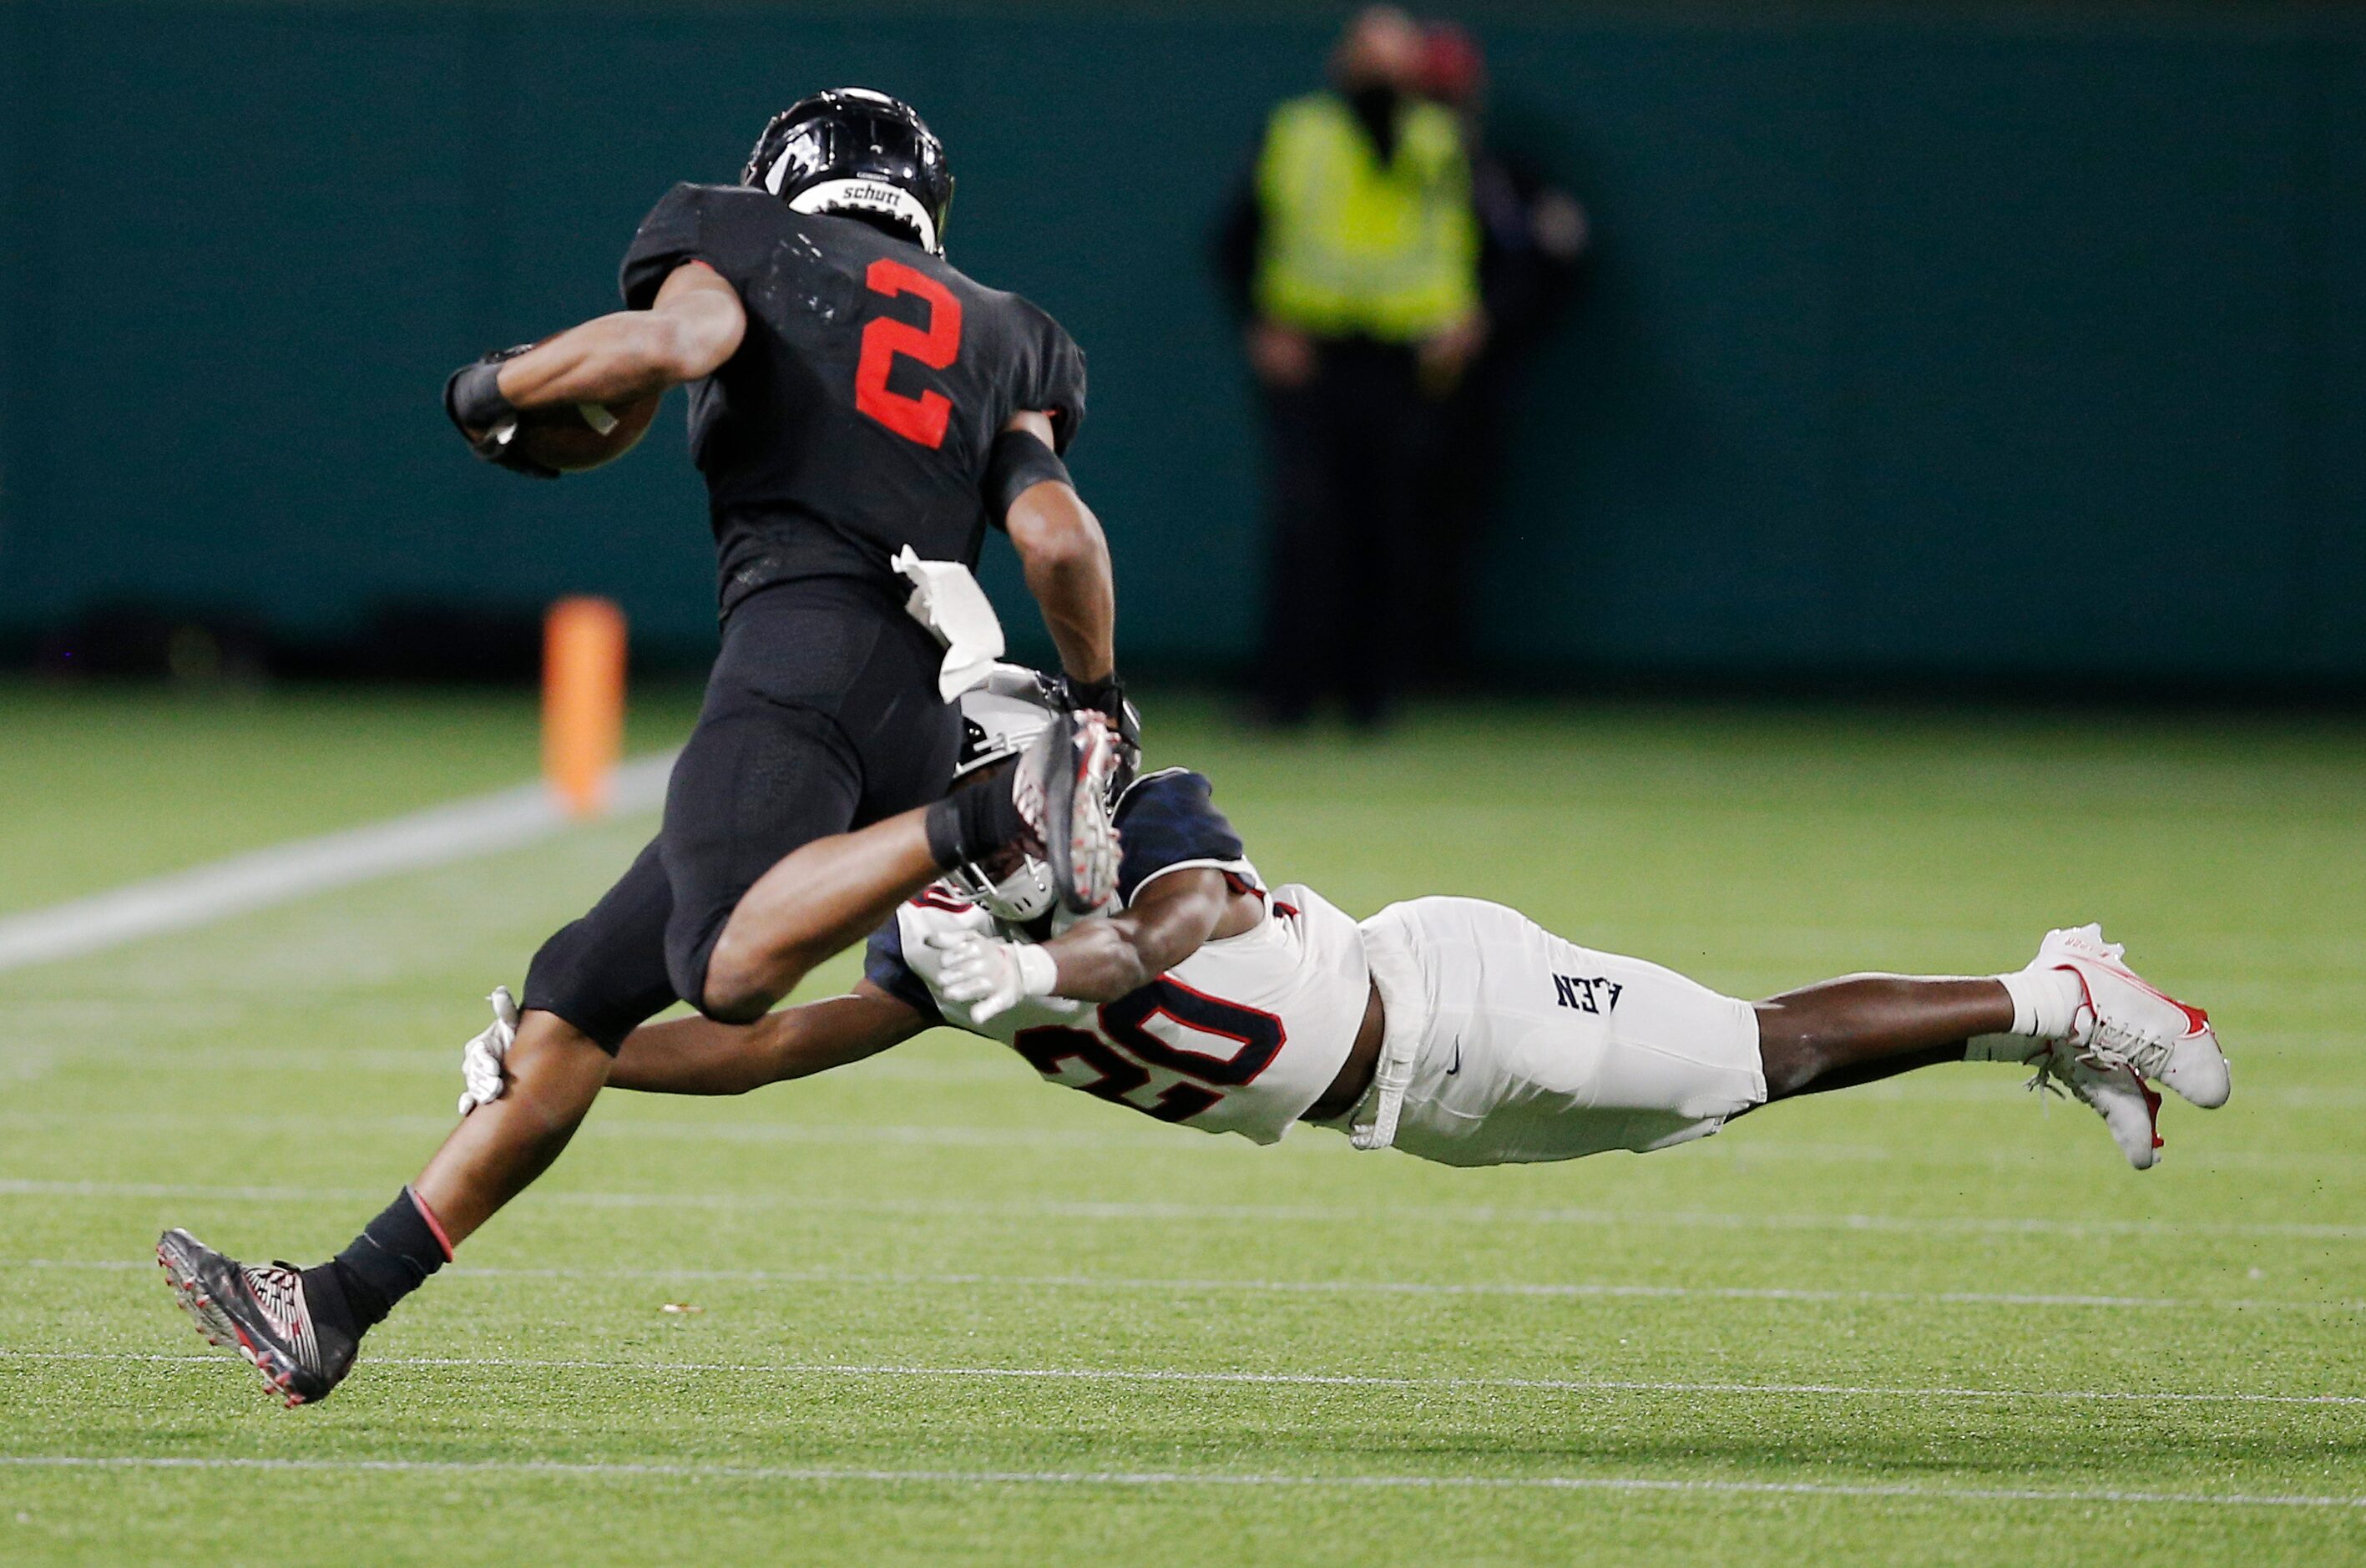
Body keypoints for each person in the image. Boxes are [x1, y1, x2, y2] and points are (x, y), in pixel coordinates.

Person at [156, 90, 1137, 1408]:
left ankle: (984, 817)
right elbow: (1058, 539)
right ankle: (333, 1303)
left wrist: (487, 388)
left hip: (801, 652)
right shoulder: (1013, 333)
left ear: (783, 178)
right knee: (574, 993)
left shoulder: (741, 238)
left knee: (722, 967)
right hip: (912, 701)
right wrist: (1097, 704)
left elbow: (679, 341)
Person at [486, 668, 2227, 1189]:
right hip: (1403, 1116)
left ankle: (2051, 985)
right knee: (1738, 1089)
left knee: (1755, 1049)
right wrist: (576, 1055)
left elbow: (1199, 907)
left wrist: (1036, 971)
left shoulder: (1127, 821)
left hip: (1444, 996)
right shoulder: (928, 925)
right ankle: (2040, 1024)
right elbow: (769, 1044)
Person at [1216, 6, 1485, 727]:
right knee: (1306, 525)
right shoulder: (1299, 132)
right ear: (1343, 61)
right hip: (1311, 354)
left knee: (1389, 526)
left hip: (1401, 361)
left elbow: (1458, 237)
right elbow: (1236, 237)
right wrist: (1261, 323)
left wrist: (1460, 317)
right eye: (1371, 54)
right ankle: (1287, 695)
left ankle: (1375, 698)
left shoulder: (1439, 139)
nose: (1383, 71)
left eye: (1397, 56)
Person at [1413, 22, 1589, 681]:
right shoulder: (1349, 161)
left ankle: (1436, 666)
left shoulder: (1499, 177)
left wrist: (1487, 324)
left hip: (1467, 381)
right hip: (1371, 369)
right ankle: (1357, 671)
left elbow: (1557, 256)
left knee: (1454, 521)